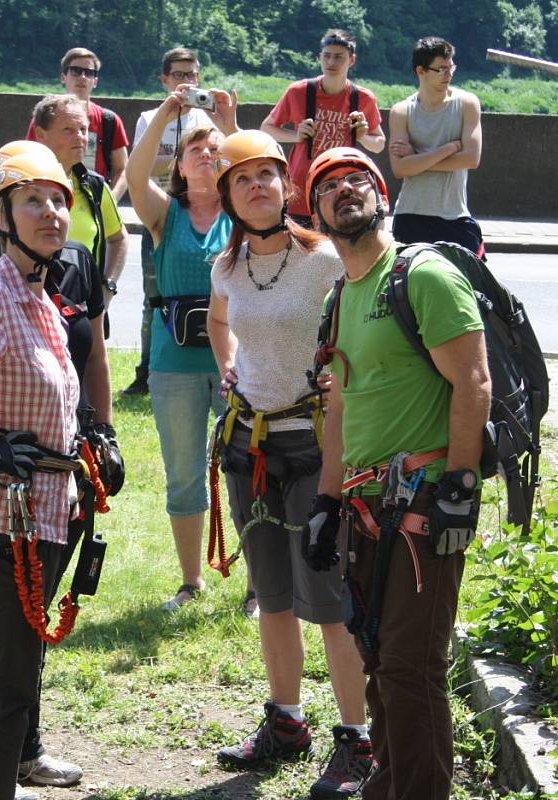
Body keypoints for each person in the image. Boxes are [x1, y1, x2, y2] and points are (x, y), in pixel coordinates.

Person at [0, 140, 119, 798]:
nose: (51, 212)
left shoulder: (42, 291)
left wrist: (95, 435)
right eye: (31, 200)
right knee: (10, 690)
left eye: (59, 201)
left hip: (41, 509)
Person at [305, 146, 490, 799]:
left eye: (357, 178)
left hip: (421, 508)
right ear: (316, 211)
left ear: (381, 194)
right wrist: (327, 503)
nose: (344, 189)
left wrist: (457, 493)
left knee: (410, 666)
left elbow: (473, 384)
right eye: (327, 186)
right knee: (379, 658)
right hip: (365, 510)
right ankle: (390, 785)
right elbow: (339, 410)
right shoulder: (339, 298)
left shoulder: (422, 275)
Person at [208, 130, 372, 799]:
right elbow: (221, 321)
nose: (256, 186)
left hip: (314, 443)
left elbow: (362, 330)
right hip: (249, 445)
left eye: (267, 176)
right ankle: (286, 722)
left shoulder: (325, 260)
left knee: (329, 601)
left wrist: (347, 380)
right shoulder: (226, 267)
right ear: (226, 194)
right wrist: (227, 362)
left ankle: (357, 738)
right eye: (242, 178)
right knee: (272, 596)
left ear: (287, 188)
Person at [125, 86, 235, 610]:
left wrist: (230, 125)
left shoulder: (245, 213)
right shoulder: (164, 215)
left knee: (247, 468)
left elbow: (266, 173)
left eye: (216, 152)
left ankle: (260, 587)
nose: (208, 157)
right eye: (197, 150)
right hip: (175, 364)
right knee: (185, 475)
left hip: (238, 361)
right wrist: (168, 113)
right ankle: (191, 582)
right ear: (182, 163)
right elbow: (133, 174)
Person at [0, 95, 128, 318]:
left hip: (76, 314)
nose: (81, 137)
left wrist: (106, 288)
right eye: (69, 130)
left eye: (84, 130)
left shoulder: (93, 185)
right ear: (41, 134)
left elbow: (119, 237)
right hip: (16, 315)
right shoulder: (11, 181)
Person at [121, 47, 212, 397]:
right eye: (179, 75)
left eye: (192, 75)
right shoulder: (150, 117)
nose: (186, 82)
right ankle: (146, 369)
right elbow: (145, 169)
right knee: (154, 298)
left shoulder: (205, 120)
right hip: (161, 212)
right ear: (164, 79)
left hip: (200, 211)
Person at [261, 29, 383, 226]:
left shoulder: (363, 98)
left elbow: (379, 144)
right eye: (326, 56)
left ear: (351, 60)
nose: (331, 63)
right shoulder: (298, 91)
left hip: (341, 194)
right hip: (300, 194)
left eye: (338, 57)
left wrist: (362, 136)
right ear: (319, 57)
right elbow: (267, 128)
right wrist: (296, 136)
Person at [389, 37, 484, 256]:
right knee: (409, 287)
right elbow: (400, 169)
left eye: (451, 67)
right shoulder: (401, 112)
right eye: (441, 69)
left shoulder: (467, 104)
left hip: (455, 215)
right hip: (411, 214)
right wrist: (448, 149)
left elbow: (471, 159)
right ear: (420, 71)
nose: (448, 74)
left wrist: (417, 158)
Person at [26, 47, 129, 201]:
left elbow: (124, 169)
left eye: (89, 72)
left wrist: (110, 201)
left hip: (95, 198)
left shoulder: (109, 120)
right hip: (53, 197)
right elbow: (28, 160)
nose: (82, 77)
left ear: (95, 81)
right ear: (63, 77)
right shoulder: (44, 118)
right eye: (75, 71)